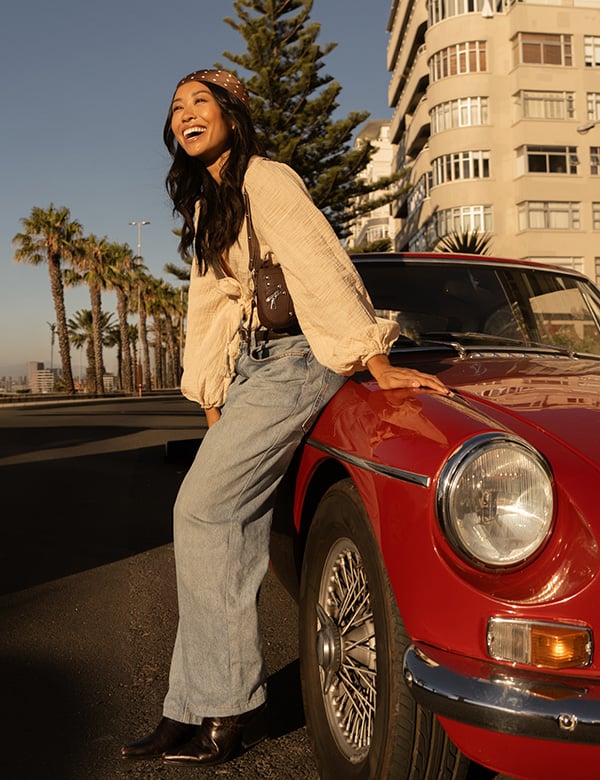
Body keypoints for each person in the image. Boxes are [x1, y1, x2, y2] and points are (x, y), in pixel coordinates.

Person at [121, 68, 451, 768]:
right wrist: (211, 392)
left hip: (300, 357)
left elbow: (318, 262)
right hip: (255, 370)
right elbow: (208, 306)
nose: (184, 114)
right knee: (217, 527)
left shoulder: (266, 179)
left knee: (201, 514)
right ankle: (188, 708)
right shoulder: (215, 202)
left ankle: (229, 708)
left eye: (199, 102)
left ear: (233, 115)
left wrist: (371, 356)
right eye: (175, 106)